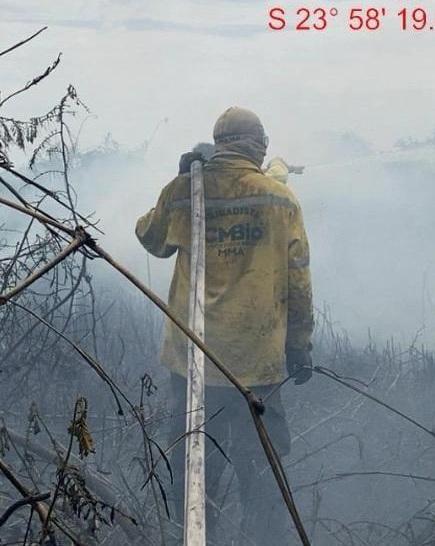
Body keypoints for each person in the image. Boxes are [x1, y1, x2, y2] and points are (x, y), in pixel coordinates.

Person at [135, 106, 314, 543]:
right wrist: (299, 346)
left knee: (196, 461)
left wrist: (180, 181)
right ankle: (263, 537)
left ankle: (196, 533)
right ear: (257, 145)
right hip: (257, 363)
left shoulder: (187, 194)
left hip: (194, 359)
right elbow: (298, 283)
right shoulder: (279, 200)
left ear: (218, 145)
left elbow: (150, 238)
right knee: (261, 465)